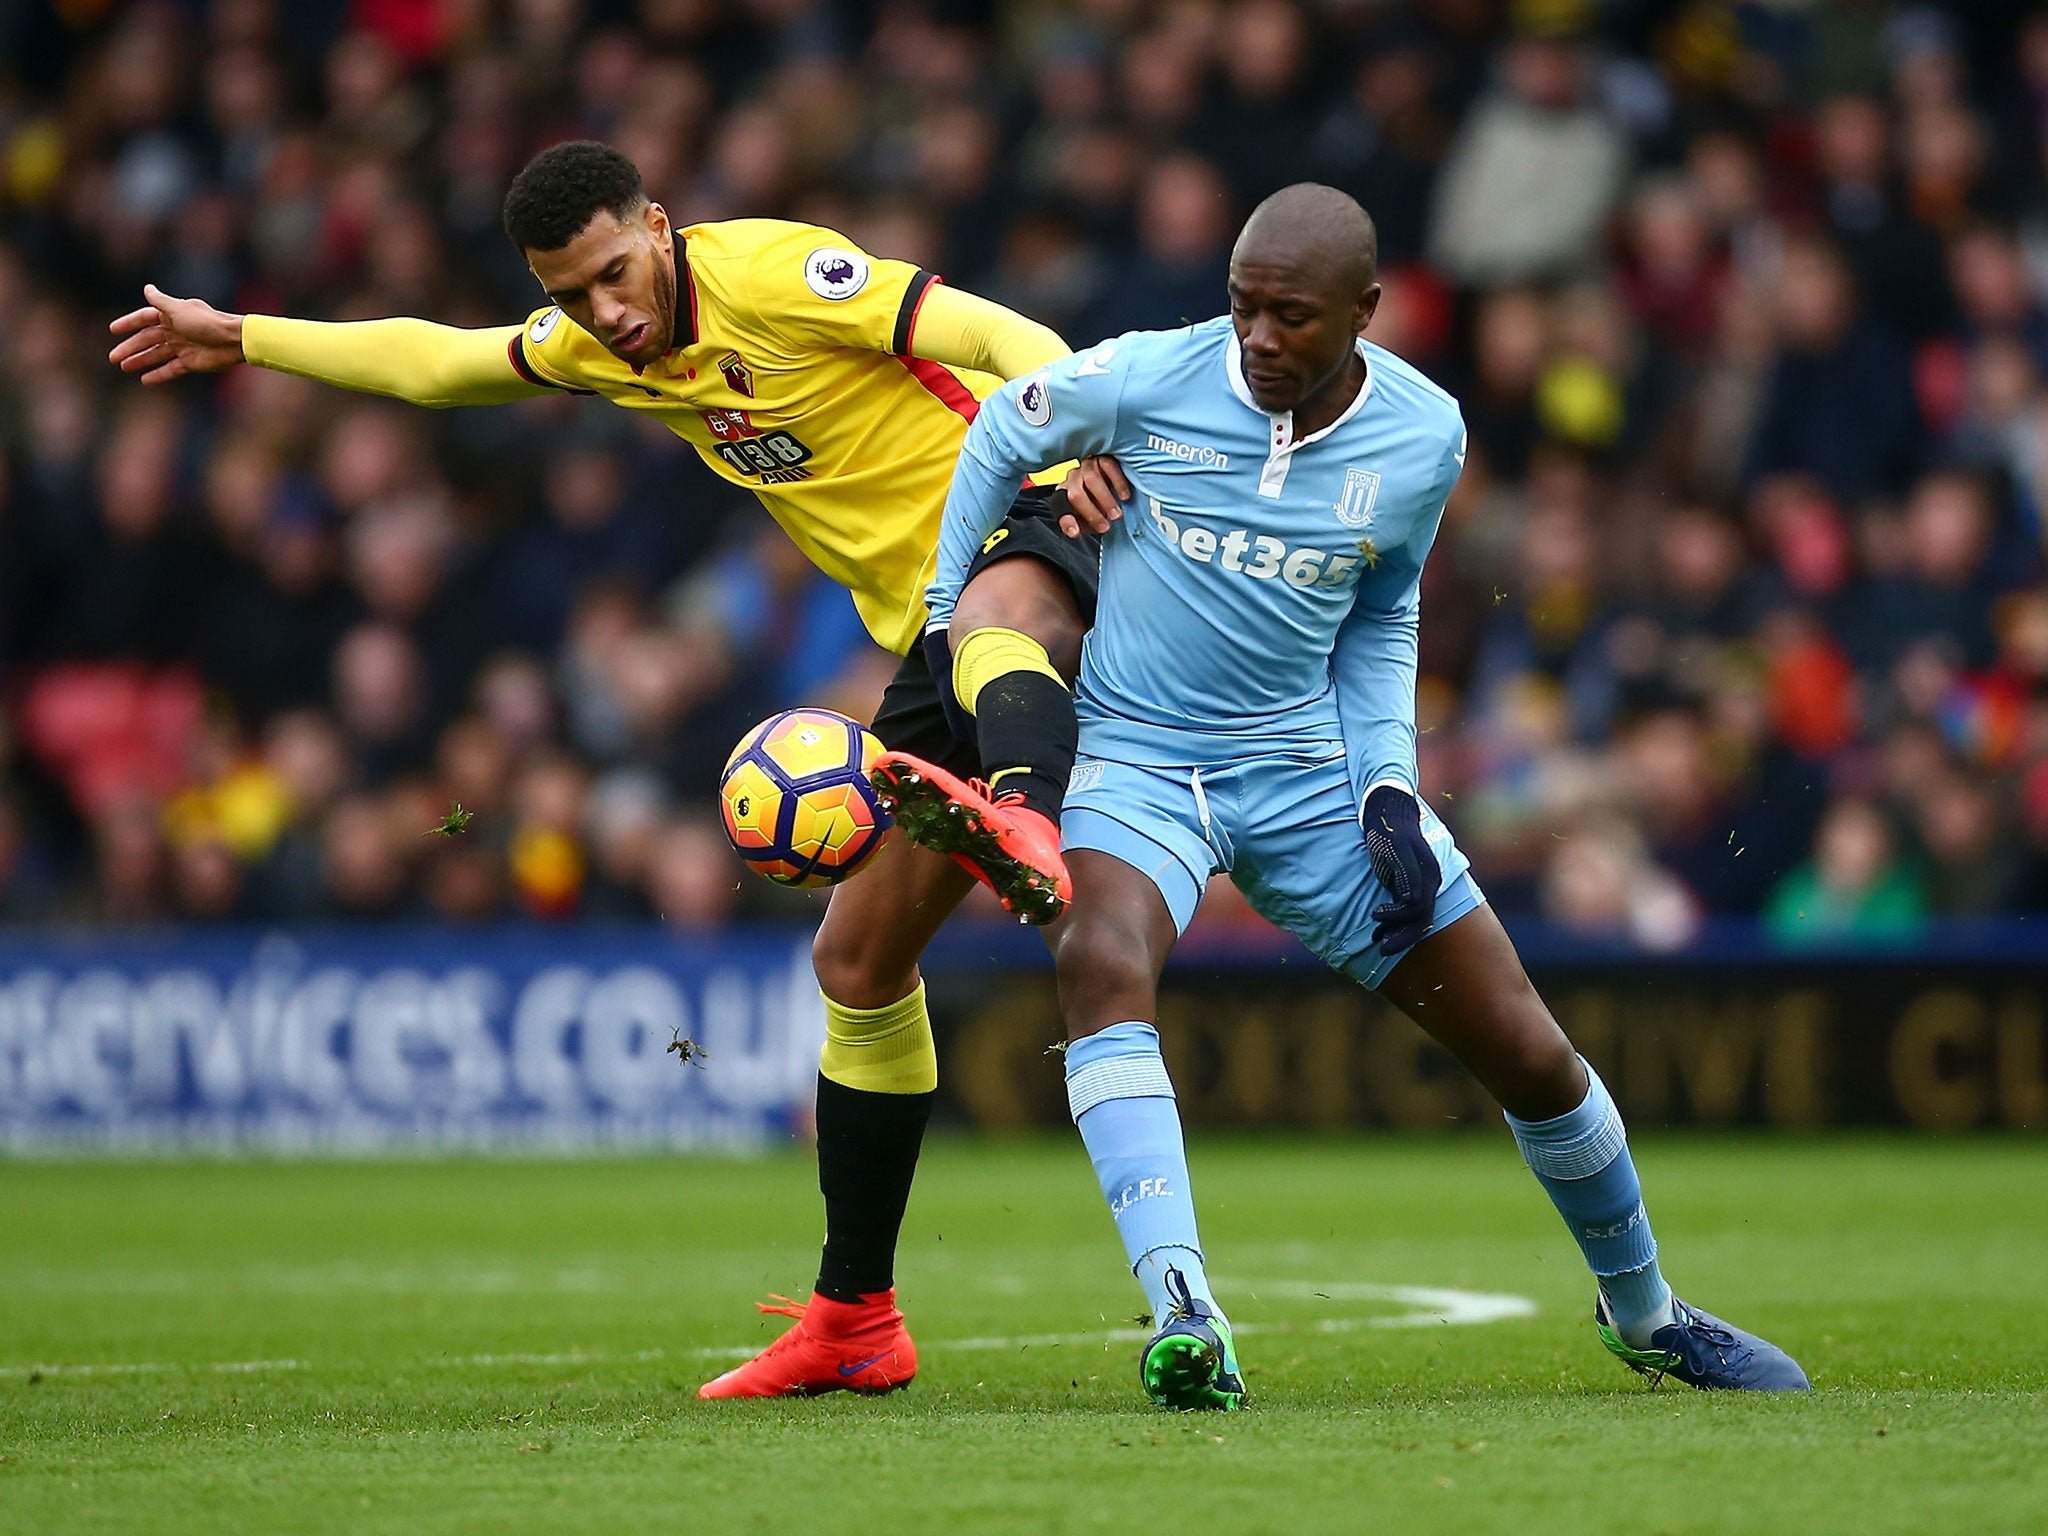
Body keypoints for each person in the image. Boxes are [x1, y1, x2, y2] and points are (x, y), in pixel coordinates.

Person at [109, 139, 1094, 1399]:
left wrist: (1080, 456)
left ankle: (1026, 809)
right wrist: (243, 335)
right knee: (854, 963)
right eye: (571, 295)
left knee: (1056, 780)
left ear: (662, 227)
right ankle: (855, 1318)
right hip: (933, 629)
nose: (604, 314)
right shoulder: (600, 347)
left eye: (616, 275)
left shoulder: (782, 273)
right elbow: (440, 359)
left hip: (1046, 540)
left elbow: (1008, 337)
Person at [902, 183, 1810, 1409]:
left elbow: (1383, 615)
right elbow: (1001, 435)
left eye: (1289, 317)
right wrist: (938, 618)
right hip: (1136, 754)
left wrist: (1387, 784)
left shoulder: (1423, 437)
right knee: (1099, 956)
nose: (1259, 339)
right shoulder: (1149, 375)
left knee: (1528, 1052)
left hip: (1306, 771)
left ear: (1361, 315)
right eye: (1241, 310)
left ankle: (1645, 1311)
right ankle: (1185, 1309)